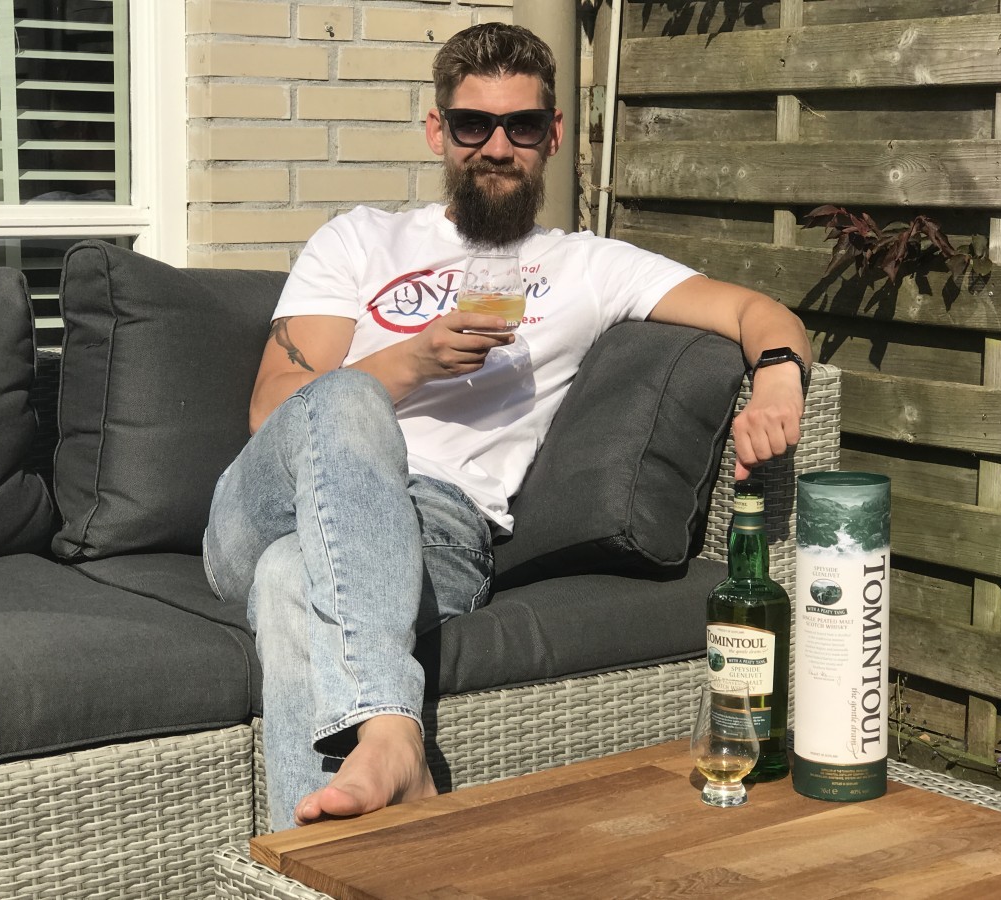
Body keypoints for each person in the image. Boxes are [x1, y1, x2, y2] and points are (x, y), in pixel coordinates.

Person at [203, 22, 812, 832]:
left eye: (521, 126)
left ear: (552, 134)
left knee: (292, 579)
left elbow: (753, 310)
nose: (497, 147)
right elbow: (272, 406)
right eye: (472, 125)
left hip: (437, 525)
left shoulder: (588, 266)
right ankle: (394, 734)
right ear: (438, 131)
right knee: (346, 399)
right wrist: (410, 362)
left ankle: (321, 865)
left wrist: (778, 378)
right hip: (270, 504)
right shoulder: (358, 239)